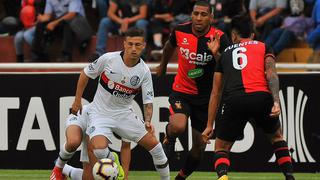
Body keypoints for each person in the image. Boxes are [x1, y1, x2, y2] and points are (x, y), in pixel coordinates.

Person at [202, 15, 295, 180]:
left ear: (234, 36)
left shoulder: (225, 55)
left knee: (221, 147)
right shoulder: (264, 47)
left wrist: (210, 125)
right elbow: (271, 74)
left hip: (235, 100)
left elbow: (216, 92)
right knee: (276, 137)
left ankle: (223, 177)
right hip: (262, 98)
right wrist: (275, 101)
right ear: (252, 35)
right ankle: (289, 176)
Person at [72, 27, 170, 180]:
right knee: (98, 149)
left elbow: (148, 101)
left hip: (124, 114)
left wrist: (148, 121)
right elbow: (85, 74)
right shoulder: (108, 59)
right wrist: (77, 100)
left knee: (157, 148)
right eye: (130, 44)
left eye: (137, 45)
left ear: (144, 46)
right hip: (100, 113)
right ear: (124, 44)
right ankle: (114, 161)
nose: (133, 48)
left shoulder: (144, 71)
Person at [156, 1, 231, 179]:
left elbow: (228, 67)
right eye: (196, 13)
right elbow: (168, 46)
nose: (198, 18)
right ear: (191, 14)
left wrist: (216, 54)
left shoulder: (220, 37)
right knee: (178, 126)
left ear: (211, 18)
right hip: (182, 91)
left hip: (206, 99)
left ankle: (180, 177)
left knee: (199, 147)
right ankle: (169, 137)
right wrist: (163, 65)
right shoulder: (180, 30)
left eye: (203, 14)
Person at [50, 105, 130, 180]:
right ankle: (58, 168)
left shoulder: (127, 114)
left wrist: (125, 177)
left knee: (89, 178)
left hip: (94, 129)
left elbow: (126, 146)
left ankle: (66, 169)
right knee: (73, 142)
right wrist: (77, 99)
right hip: (82, 116)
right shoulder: (108, 102)